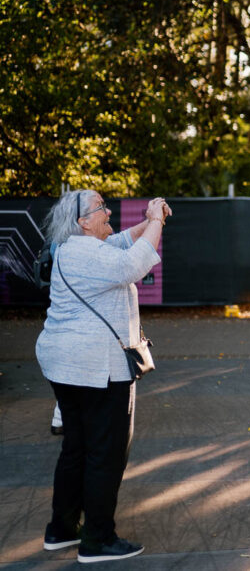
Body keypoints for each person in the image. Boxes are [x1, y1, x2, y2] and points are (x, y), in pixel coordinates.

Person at [36, 190, 170, 562]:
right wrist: (156, 220)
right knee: (105, 453)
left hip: (67, 365)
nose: (108, 211)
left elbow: (124, 241)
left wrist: (149, 217)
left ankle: (61, 530)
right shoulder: (86, 253)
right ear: (82, 221)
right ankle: (97, 541)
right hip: (96, 367)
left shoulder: (76, 246)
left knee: (77, 448)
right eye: (100, 208)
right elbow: (133, 265)